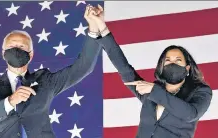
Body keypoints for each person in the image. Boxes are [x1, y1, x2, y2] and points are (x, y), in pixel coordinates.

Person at [0, 5, 102, 138]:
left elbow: (83, 67)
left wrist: (94, 28)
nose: (16, 50)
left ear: (31, 54)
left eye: (22, 46)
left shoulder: (45, 80)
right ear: (3, 53)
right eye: (11, 46)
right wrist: (10, 101)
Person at [89, 5, 212, 138]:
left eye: (178, 60)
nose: (172, 63)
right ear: (162, 66)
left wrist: (154, 90)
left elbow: (190, 114)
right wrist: (102, 28)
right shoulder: (152, 90)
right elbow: (124, 68)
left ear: (187, 68)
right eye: (168, 60)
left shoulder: (200, 91)